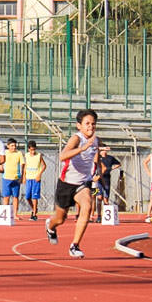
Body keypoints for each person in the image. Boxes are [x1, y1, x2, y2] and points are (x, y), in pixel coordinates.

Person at [44, 109, 100, 259]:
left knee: (87, 206)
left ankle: (74, 245)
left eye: (93, 124)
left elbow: (95, 156)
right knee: (60, 219)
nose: (91, 127)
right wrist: (81, 148)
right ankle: (50, 226)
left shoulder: (95, 140)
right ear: (79, 126)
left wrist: (97, 170)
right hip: (66, 184)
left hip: (83, 183)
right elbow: (62, 156)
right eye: (87, 124)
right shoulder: (77, 139)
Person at [0, 138, 25, 219]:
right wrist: (0, 166)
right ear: (8, 146)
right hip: (6, 178)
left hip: (16, 178)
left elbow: (23, 164)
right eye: (12, 146)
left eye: (15, 146)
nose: (14, 147)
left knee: (15, 197)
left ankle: (15, 214)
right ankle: (5, 215)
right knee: (6, 197)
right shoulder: (5, 153)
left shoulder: (19, 153)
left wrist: (23, 176)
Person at [93, 145, 121, 221]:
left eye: (105, 150)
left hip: (107, 179)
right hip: (99, 179)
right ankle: (99, 216)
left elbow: (119, 164)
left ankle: (106, 217)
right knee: (99, 197)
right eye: (103, 150)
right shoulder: (98, 158)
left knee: (105, 199)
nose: (104, 152)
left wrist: (112, 168)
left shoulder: (110, 158)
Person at [23, 140, 46, 221]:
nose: (32, 151)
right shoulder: (26, 156)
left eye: (34, 150)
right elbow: (25, 166)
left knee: (34, 197)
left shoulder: (39, 156)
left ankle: (34, 214)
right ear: (28, 149)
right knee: (27, 197)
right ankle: (34, 208)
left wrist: (39, 175)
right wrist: (24, 177)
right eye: (31, 150)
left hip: (36, 179)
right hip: (29, 178)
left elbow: (44, 166)